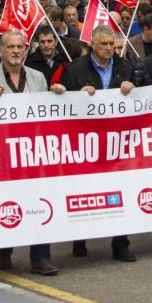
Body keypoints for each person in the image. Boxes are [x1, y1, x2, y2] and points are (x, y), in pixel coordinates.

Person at [0, 31, 65, 275]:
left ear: (25, 50)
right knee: (5, 203)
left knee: (38, 201)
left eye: (20, 47)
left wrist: (56, 94)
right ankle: (4, 252)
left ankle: (41, 258)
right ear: (1, 51)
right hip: (3, 154)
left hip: (33, 152)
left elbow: (47, 115)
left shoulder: (38, 78)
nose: (16, 51)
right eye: (11, 47)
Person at [60, 25, 137, 262]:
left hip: (116, 140)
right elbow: (63, 103)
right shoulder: (74, 70)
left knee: (119, 190)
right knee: (85, 190)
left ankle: (120, 243)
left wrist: (131, 88)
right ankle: (80, 238)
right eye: (104, 44)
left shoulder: (125, 66)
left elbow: (138, 99)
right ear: (92, 45)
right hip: (85, 140)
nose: (109, 49)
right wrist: (78, 94)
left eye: (112, 44)